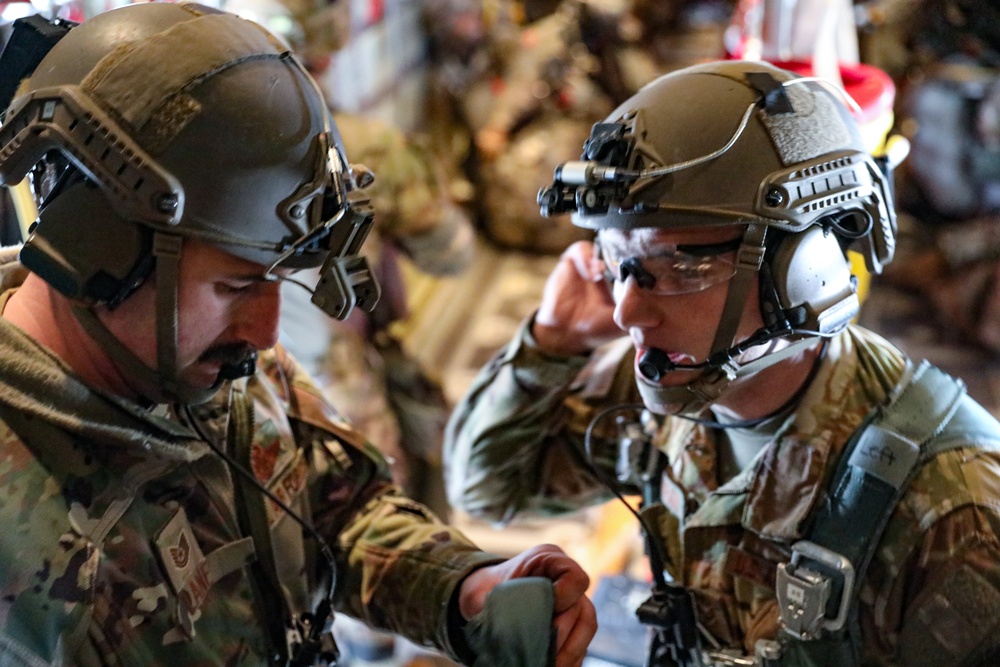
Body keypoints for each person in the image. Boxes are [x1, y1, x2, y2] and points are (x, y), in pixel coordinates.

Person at [0, 4, 596, 666]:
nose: (265, 331)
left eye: (279, 280)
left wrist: (463, 588)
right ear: (95, 251)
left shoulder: (209, 369)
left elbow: (336, 508)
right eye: (236, 285)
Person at [445, 59, 1000, 666]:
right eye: (618, 259)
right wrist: (550, 345)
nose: (629, 311)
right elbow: (488, 488)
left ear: (803, 272)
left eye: (681, 267)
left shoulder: (955, 508)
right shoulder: (673, 382)